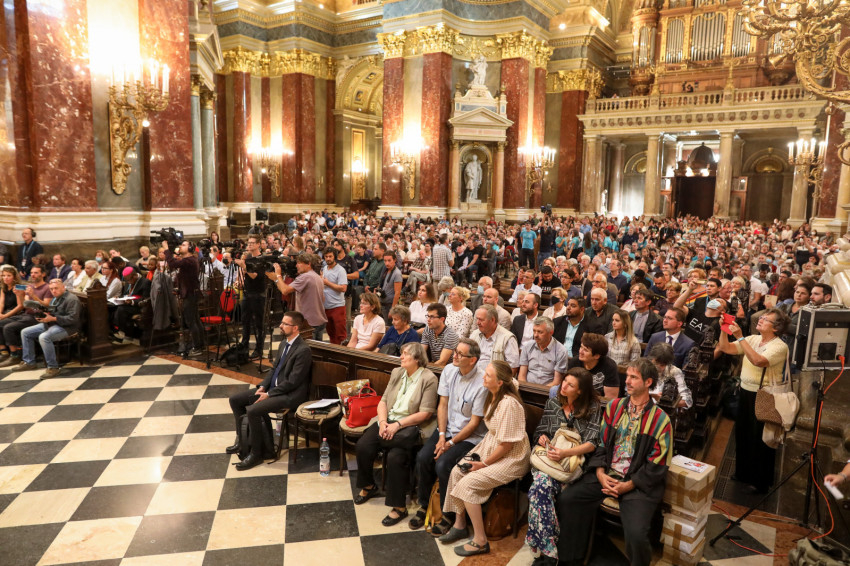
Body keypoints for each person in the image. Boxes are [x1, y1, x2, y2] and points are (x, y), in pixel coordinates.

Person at [556, 358, 672, 566]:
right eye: (627, 376)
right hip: (607, 474)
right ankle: (572, 558)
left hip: (636, 484)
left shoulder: (660, 420)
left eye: (633, 377)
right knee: (568, 499)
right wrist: (600, 473)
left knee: (636, 534)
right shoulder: (614, 407)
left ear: (648, 382)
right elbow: (601, 445)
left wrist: (628, 485)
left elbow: (657, 465)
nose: (626, 381)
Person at [438, 360, 531, 557]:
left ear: (499, 382)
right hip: (493, 445)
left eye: (488, 375)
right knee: (457, 471)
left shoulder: (509, 404)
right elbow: (513, 382)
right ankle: (460, 523)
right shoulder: (496, 394)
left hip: (512, 456)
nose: (483, 376)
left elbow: (507, 444)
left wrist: (484, 464)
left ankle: (481, 541)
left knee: (469, 483)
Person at [354, 343, 438, 526]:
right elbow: (383, 401)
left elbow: (425, 413)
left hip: (407, 426)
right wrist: (384, 423)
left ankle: (399, 508)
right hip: (388, 421)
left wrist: (397, 425)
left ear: (417, 359)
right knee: (363, 445)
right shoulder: (397, 372)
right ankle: (369, 486)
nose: (401, 357)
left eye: (405, 354)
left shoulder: (429, 378)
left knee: (395, 458)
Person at [526, 367, 601, 565]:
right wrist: (542, 438)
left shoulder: (593, 408)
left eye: (570, 384)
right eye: (564, 381)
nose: (563, 386)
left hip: (572, 464)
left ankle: (543, 550)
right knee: (540, 488)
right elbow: (540, 432)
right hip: (549, 461)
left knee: (538, 489)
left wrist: (565, 453)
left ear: (580, 391)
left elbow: (592, 442)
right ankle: (550, 550)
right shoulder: (553, 403)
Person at [411, 338, 487, 534]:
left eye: (461, 354)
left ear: (473, 360)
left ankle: (449, 515)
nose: (455, 355)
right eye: (455, 351)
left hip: (470, 437)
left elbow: (474, 423)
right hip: (447, 429)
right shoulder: (449, 370)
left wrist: (451, 443)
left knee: (444, 465)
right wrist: (442, 436)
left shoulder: (482, 383)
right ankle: (424, 504)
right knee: (423, 457)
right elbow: (443, 404)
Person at [716, 307, 790, 493]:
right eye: (762, 317)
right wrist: (724, 331)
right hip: (746, 391)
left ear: (776, 328)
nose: (761, 320)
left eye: (766, 320)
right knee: (743, 433)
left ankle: (760, 481)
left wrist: (740, 337)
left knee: (761, 438)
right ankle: (742, 473)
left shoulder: (779, 346)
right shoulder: (753, 339)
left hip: (764, 394)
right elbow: (726, 348)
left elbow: (758, 360)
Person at [228, 312, 313, 470]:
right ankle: (242, 441)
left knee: (253, 410)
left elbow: (293, 381)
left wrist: (269, 394)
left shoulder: (303, 350)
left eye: (284, 324)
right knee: (235, 400)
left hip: (290, 395)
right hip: (273, 390)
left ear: (295, 328)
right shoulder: (283, 344)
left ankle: (256, 454)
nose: (280, 326)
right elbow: (274, 370)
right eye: (281, 323)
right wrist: (263, 386)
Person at [11, 279, 83, 379]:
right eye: (52, 289)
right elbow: (51, 310)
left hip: (67, 327)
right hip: (52, 323)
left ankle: (53, 367)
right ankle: (29, 362)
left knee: (44, 337)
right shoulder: (56, 298)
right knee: (25, 332)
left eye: (56, 288)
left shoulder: (72, 299)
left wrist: (52, 318)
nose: (53, 291)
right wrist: (44, 316)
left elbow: (73, 319)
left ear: (63, 287)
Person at [0, 264, 51, 368]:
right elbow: (25, 304)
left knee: (8, 327)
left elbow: (46, 306)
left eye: (36, 272)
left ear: (43, 274)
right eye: (32, 272)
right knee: (1, 323)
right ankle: (5, 352)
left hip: (37, 317)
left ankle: (15, 356)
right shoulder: (30, 287)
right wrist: (19, 295)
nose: (33, 275)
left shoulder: (47, 288)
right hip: (26, 314)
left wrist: (33, 296)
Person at [269, 253, 327, 334]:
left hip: (309, 323)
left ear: (308, 264)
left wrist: (277, 276)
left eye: (299, 263)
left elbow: (285, 291)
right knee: (316, 346)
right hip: (318, 321)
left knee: (305, 346)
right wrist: (277, 279)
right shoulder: (316, 276)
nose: (296, 266)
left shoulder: (305, 277)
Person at [164, 240, 205, 356]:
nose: (180, 247)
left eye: (184, 245)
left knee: (191, 321)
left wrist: (167, 249)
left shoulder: (189, 260)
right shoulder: (189, 260)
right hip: (190, 293)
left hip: (190, 294)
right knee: (195, 320)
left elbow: (171, 264)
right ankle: (200, 345)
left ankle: (197, 347)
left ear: (190, 248)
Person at [235, 234, 269, 358]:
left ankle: (259, 349)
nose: (249, 245)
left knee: (258, 323)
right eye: (248, 243)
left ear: (258, 244)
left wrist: (244, 266)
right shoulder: (248, 259)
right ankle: (244, 345)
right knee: (245, 321)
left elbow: (256, 276)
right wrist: (240, 281)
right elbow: (247, 276)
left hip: (258, 294)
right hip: (247, 293)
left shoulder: (262, 259)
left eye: (252, 243)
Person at [566, 332, 621, 399]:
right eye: (581, 347)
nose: (580, 352)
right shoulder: (574, 362)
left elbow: (610, 398)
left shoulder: (609, 366)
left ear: (596, 356)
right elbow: (567, 387)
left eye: (585, 350)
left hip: (599, 404)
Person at [519, 316, 568, 387]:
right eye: (534, 331)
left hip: (547, 392)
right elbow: (521, 376)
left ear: (551, 332)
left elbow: (557, 382)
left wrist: (540, 392)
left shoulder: (561, 351)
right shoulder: (527, 347)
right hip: (526, 389)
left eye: (540, 332)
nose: (535, 335)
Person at [470, 304, 520, 374]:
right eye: (477, 319)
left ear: (492, 320)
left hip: (494, 381)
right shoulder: (475, 334)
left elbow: (513, 368)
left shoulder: (508, 338)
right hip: (473, 377)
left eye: (481, 320)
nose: (477, 323)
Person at [646, 343, 693, 408]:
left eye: (662, 365)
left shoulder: (674, 372)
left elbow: (687, 400)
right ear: (651, 358)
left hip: (665, 411)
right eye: (656, 363)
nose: (657, 367)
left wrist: (666, 403)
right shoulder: (643, 369)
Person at [113, 266, 151, 342]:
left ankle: (124, 333)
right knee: (113, 307)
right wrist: (119, 297)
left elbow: (146, 298)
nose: (128, 282)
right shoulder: (128, 282)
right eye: (126, 280)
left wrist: (132, 302)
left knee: (121, 310)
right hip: (128, 305)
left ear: (135, 275)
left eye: (129, 279)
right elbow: (126, 294)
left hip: (140, 307)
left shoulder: (145, 282)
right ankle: (117, 331)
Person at [321, 249, 348, 344]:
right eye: (326, 256)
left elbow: (343, 288)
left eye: (330, 256)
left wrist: (328, 283)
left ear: (334, 257)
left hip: (337, 306)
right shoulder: (324, 268)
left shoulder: (340, 270)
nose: (328, 259)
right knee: (331, 333)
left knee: (341, 335)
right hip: (326, 306)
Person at [0, 265, 24, 362]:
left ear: (14, 277)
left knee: (2, 324)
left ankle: (14, 354)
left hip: (17, 313)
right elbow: (1, 303)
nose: (5, 278)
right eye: (4, 275)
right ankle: (3, 351)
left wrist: (4, 316)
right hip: (6, 312)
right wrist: (0, 313)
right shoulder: (4, 288)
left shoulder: (18, 287)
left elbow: (20, 306)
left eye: (8, 275)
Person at [377, 252, 403, 321]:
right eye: (385, 261)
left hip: (389, 305)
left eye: (389, 260)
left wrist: (392, 309)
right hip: (381, 303)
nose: (387, 263)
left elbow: (397, 293)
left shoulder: (397, 273)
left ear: (394, 260)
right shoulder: (385, 270)